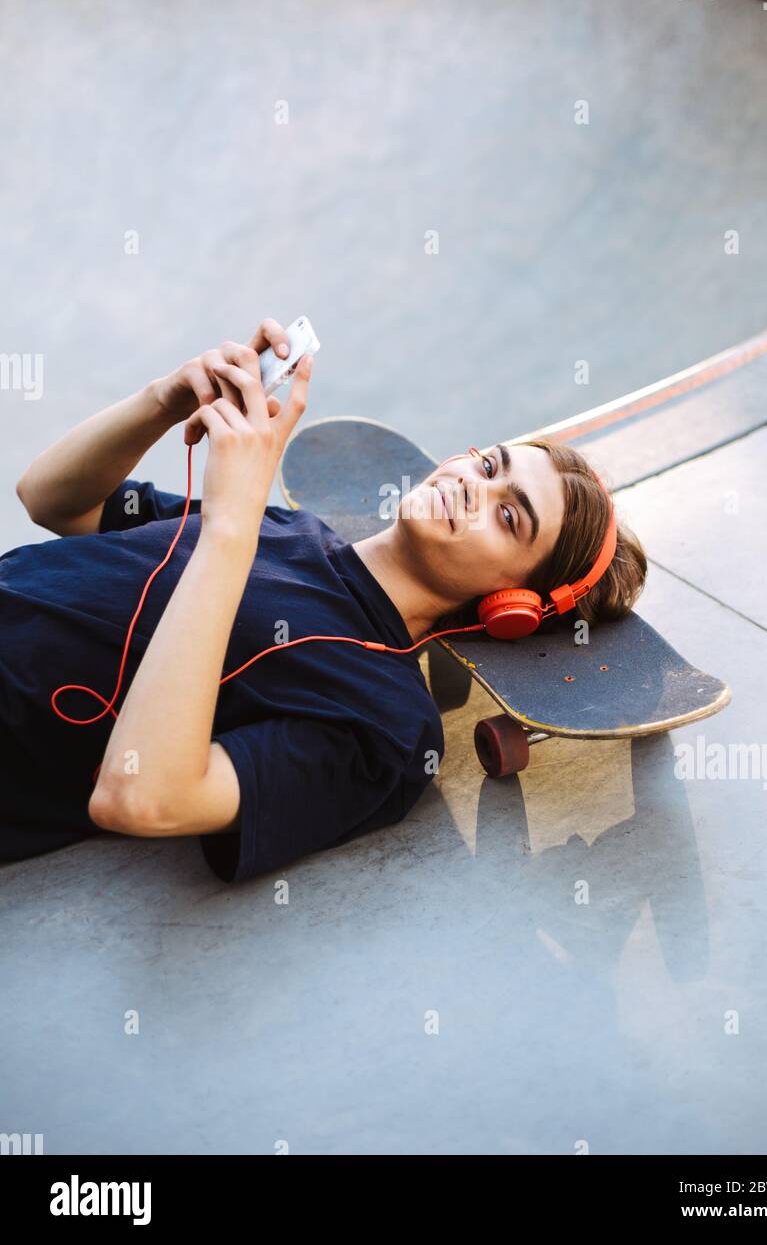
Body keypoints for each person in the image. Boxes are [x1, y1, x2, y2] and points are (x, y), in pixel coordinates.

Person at [2, 321, 647, 883]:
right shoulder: (291, 530)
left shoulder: (390, 726)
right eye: (487, 465)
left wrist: (231, 525)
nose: (470, 487)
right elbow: (52, 500)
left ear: (513, 607)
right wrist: (164, 398)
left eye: (508, 515)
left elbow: (141, 797)